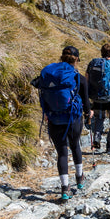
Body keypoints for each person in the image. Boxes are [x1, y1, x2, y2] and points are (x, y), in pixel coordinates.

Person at [36, 45, 91, 201]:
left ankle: (65, 189)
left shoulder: (49, 75)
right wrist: (88, 113)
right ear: (77, 60)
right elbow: (86, 101)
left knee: (62, 151)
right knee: (75, 146)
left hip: (53, 117)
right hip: (73, 118)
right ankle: (80, 179)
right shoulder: (78, 77)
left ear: (62, 57)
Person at [87, 42, 110, 153]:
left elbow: (86, 79)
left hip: (96, 96)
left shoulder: (92, 63)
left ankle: (97, 141)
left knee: (99, 119)